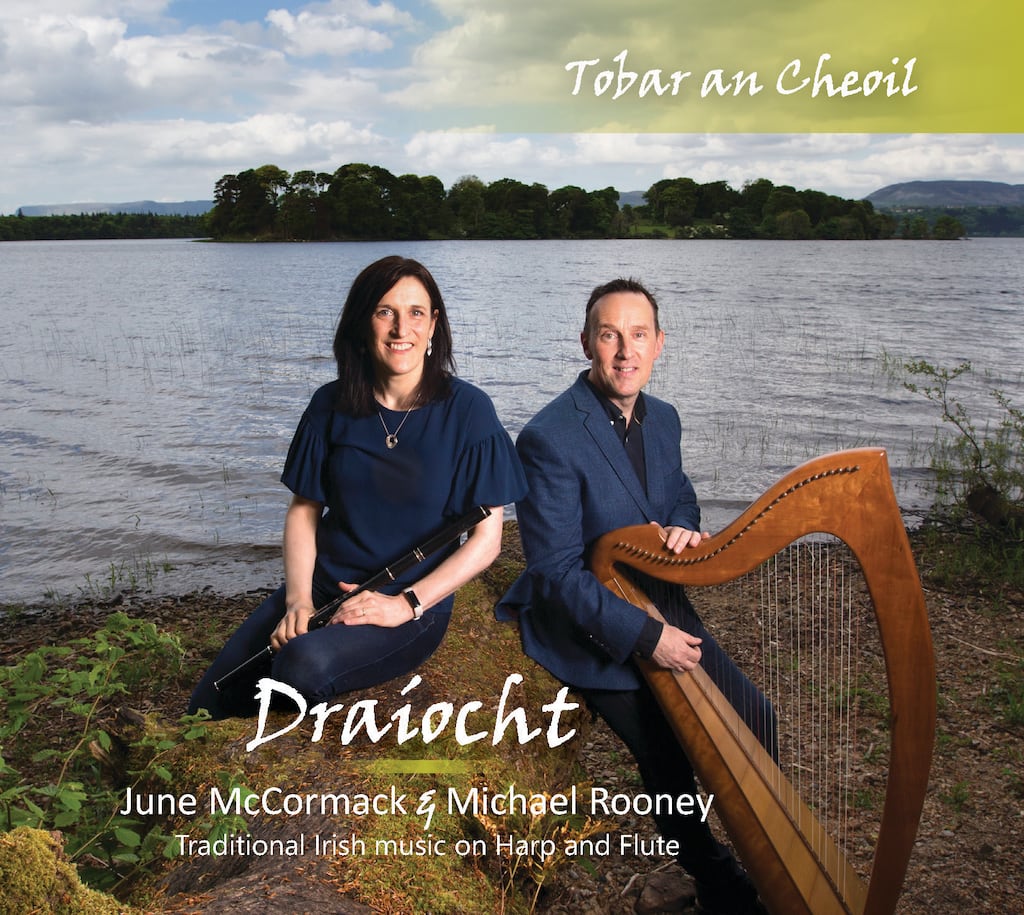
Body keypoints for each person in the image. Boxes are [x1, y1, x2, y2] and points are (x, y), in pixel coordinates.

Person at [497, 278, 773, 914]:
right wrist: (649, 639)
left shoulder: (665, 418)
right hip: (585, 623)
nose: (625, 351)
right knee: (667, 754)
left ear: (659, 344)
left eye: (639, 335)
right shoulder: (548, 438)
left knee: (757, 719)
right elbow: (558, 572)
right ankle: (722, 884)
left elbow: (678, 494)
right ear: (587, 342)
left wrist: (684, 524)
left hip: (659, 603)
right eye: (610, 334)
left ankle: (766, 851)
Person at [190, 255, 526, 720]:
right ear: (362, 323)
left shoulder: (469, 411)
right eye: (384, 311)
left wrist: (405, 605)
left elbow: (487, 539)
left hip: (408, 599)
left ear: (433, 326)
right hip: (323, 588)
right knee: (208, 705)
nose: (400, 328)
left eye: (415, 313)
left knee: (299, 666)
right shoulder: (329, 404)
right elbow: (304, 511)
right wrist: (298, 600)